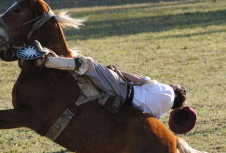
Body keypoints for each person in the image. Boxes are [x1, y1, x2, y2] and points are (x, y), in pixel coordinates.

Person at [27, 42, 187, 121]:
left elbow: (139, 80)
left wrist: (114, 72)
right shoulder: (161, 112)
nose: (172, 85)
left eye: (175, 86)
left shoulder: (166, 91)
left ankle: (47, 61)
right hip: (122, 104)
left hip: (123, 90)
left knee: (88, 64)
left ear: (176, 91)